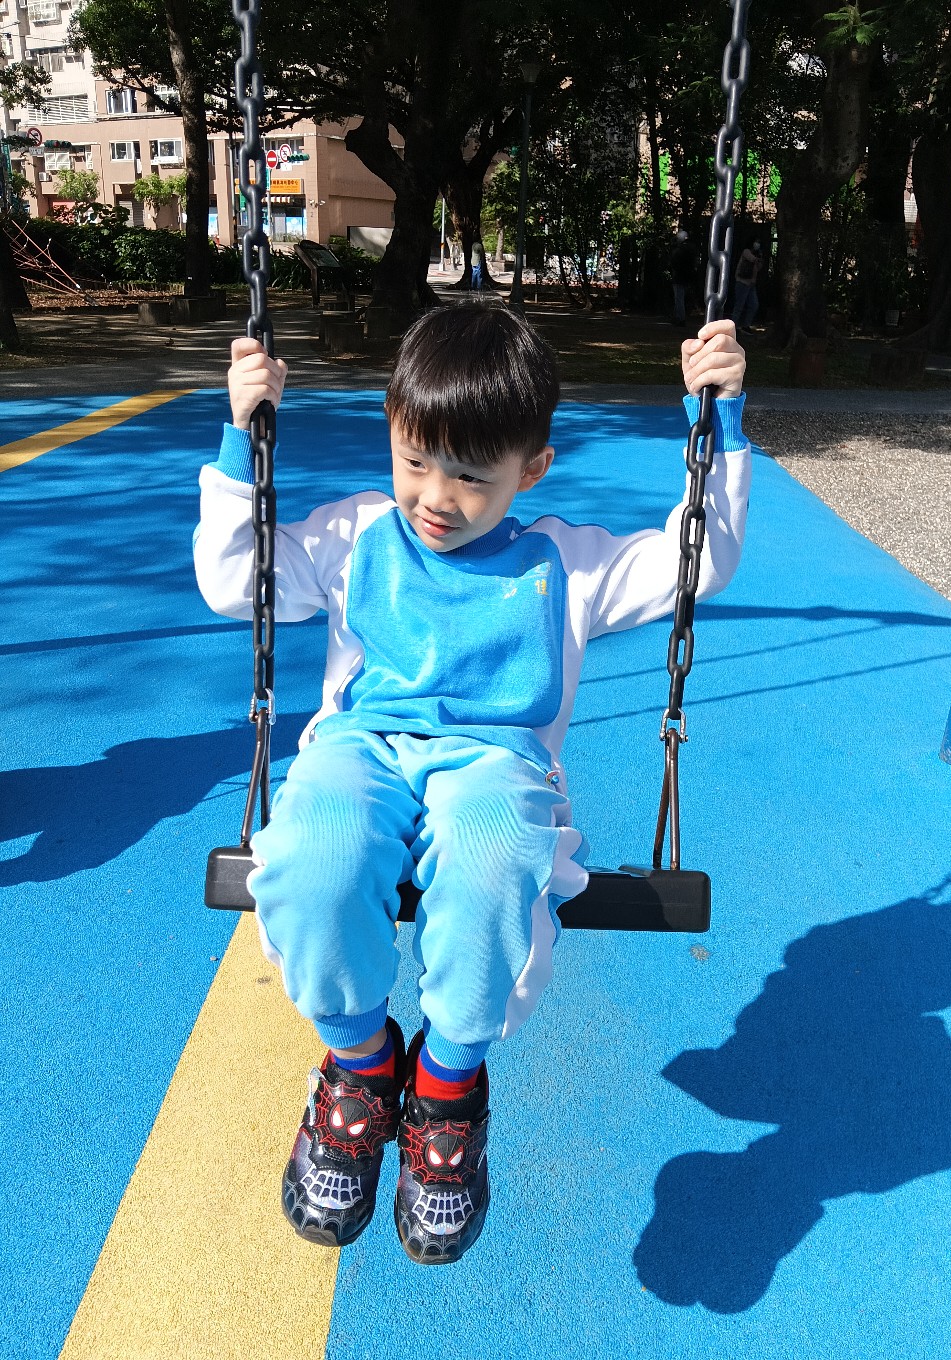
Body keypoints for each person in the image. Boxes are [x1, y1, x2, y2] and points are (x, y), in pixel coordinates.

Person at [194, 302, 751, 1265]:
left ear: (532, 469)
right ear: (392, 431)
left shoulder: (564, 564)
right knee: (315, 852)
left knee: (495, 856)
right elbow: (233, 582)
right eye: (416, 461)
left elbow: (696, 565)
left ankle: (448, 1086)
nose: (436, 497)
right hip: (361, 749)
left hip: (495, 763)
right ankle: (363, 1065)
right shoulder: (356, 534)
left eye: (472, 477)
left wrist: (721, 426)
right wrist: (242, 442)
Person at [731, 240, 763, 332]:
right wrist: (758, 259)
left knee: (754, 305)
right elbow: (752, 259)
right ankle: (733, 327)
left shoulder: (758, 255)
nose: (757, 244)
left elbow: (759, 267)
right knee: (739, 305)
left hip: (751, 284)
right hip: (742, 282)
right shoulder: (746, 251)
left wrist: (759, 258)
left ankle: (746, 325)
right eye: (756, 242)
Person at [669, 227, 697, 325]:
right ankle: (680, 316)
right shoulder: (692, 249)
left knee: (679, 298)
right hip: (688, 277)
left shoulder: (679, 250)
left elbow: (673, 262)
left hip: (679, 277)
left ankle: (680, 318)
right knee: (684, 298)